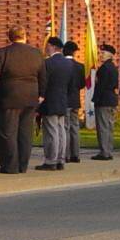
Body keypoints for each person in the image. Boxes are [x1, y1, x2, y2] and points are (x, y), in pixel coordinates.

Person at [0, 26, 46, 174]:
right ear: (25, 36)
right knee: (25, 133)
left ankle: (10, 166)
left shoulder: (1, 53)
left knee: (7, 132)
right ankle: (23, 165)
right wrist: (41, 94)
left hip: (8, 97)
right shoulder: (36, 53)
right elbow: (43, 75)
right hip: (30, 97)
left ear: (9, 37)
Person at [36, 37, 73, 171]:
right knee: (61, 131)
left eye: (47, 46)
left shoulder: (47, 63)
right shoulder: (68, 64)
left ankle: (51, 160)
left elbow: (43, 83)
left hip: (50, 100)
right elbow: (70, 84)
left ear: (52, 46)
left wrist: (40, 97)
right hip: (63, 99)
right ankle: (60, 159)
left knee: (51, 132)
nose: (45, 48)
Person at [91, 44, 119, 161]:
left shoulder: (104, 68)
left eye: (103, 53)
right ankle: (108, 149)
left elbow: (100, 86)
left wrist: (95, 99)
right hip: (111, 99)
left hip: (103, 100)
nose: (101, 55)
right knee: (109, 126)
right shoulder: (113, 67)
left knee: (102, 127)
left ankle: (104, 152)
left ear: (110, 55)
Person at [63, 41, 86, 163]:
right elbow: (82, 84)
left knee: (65, 127)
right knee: (75, 127)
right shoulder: (80, 66)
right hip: (75, 99)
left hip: (65, 100)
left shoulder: (62, 65)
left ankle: (66, 154)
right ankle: (75, 154)